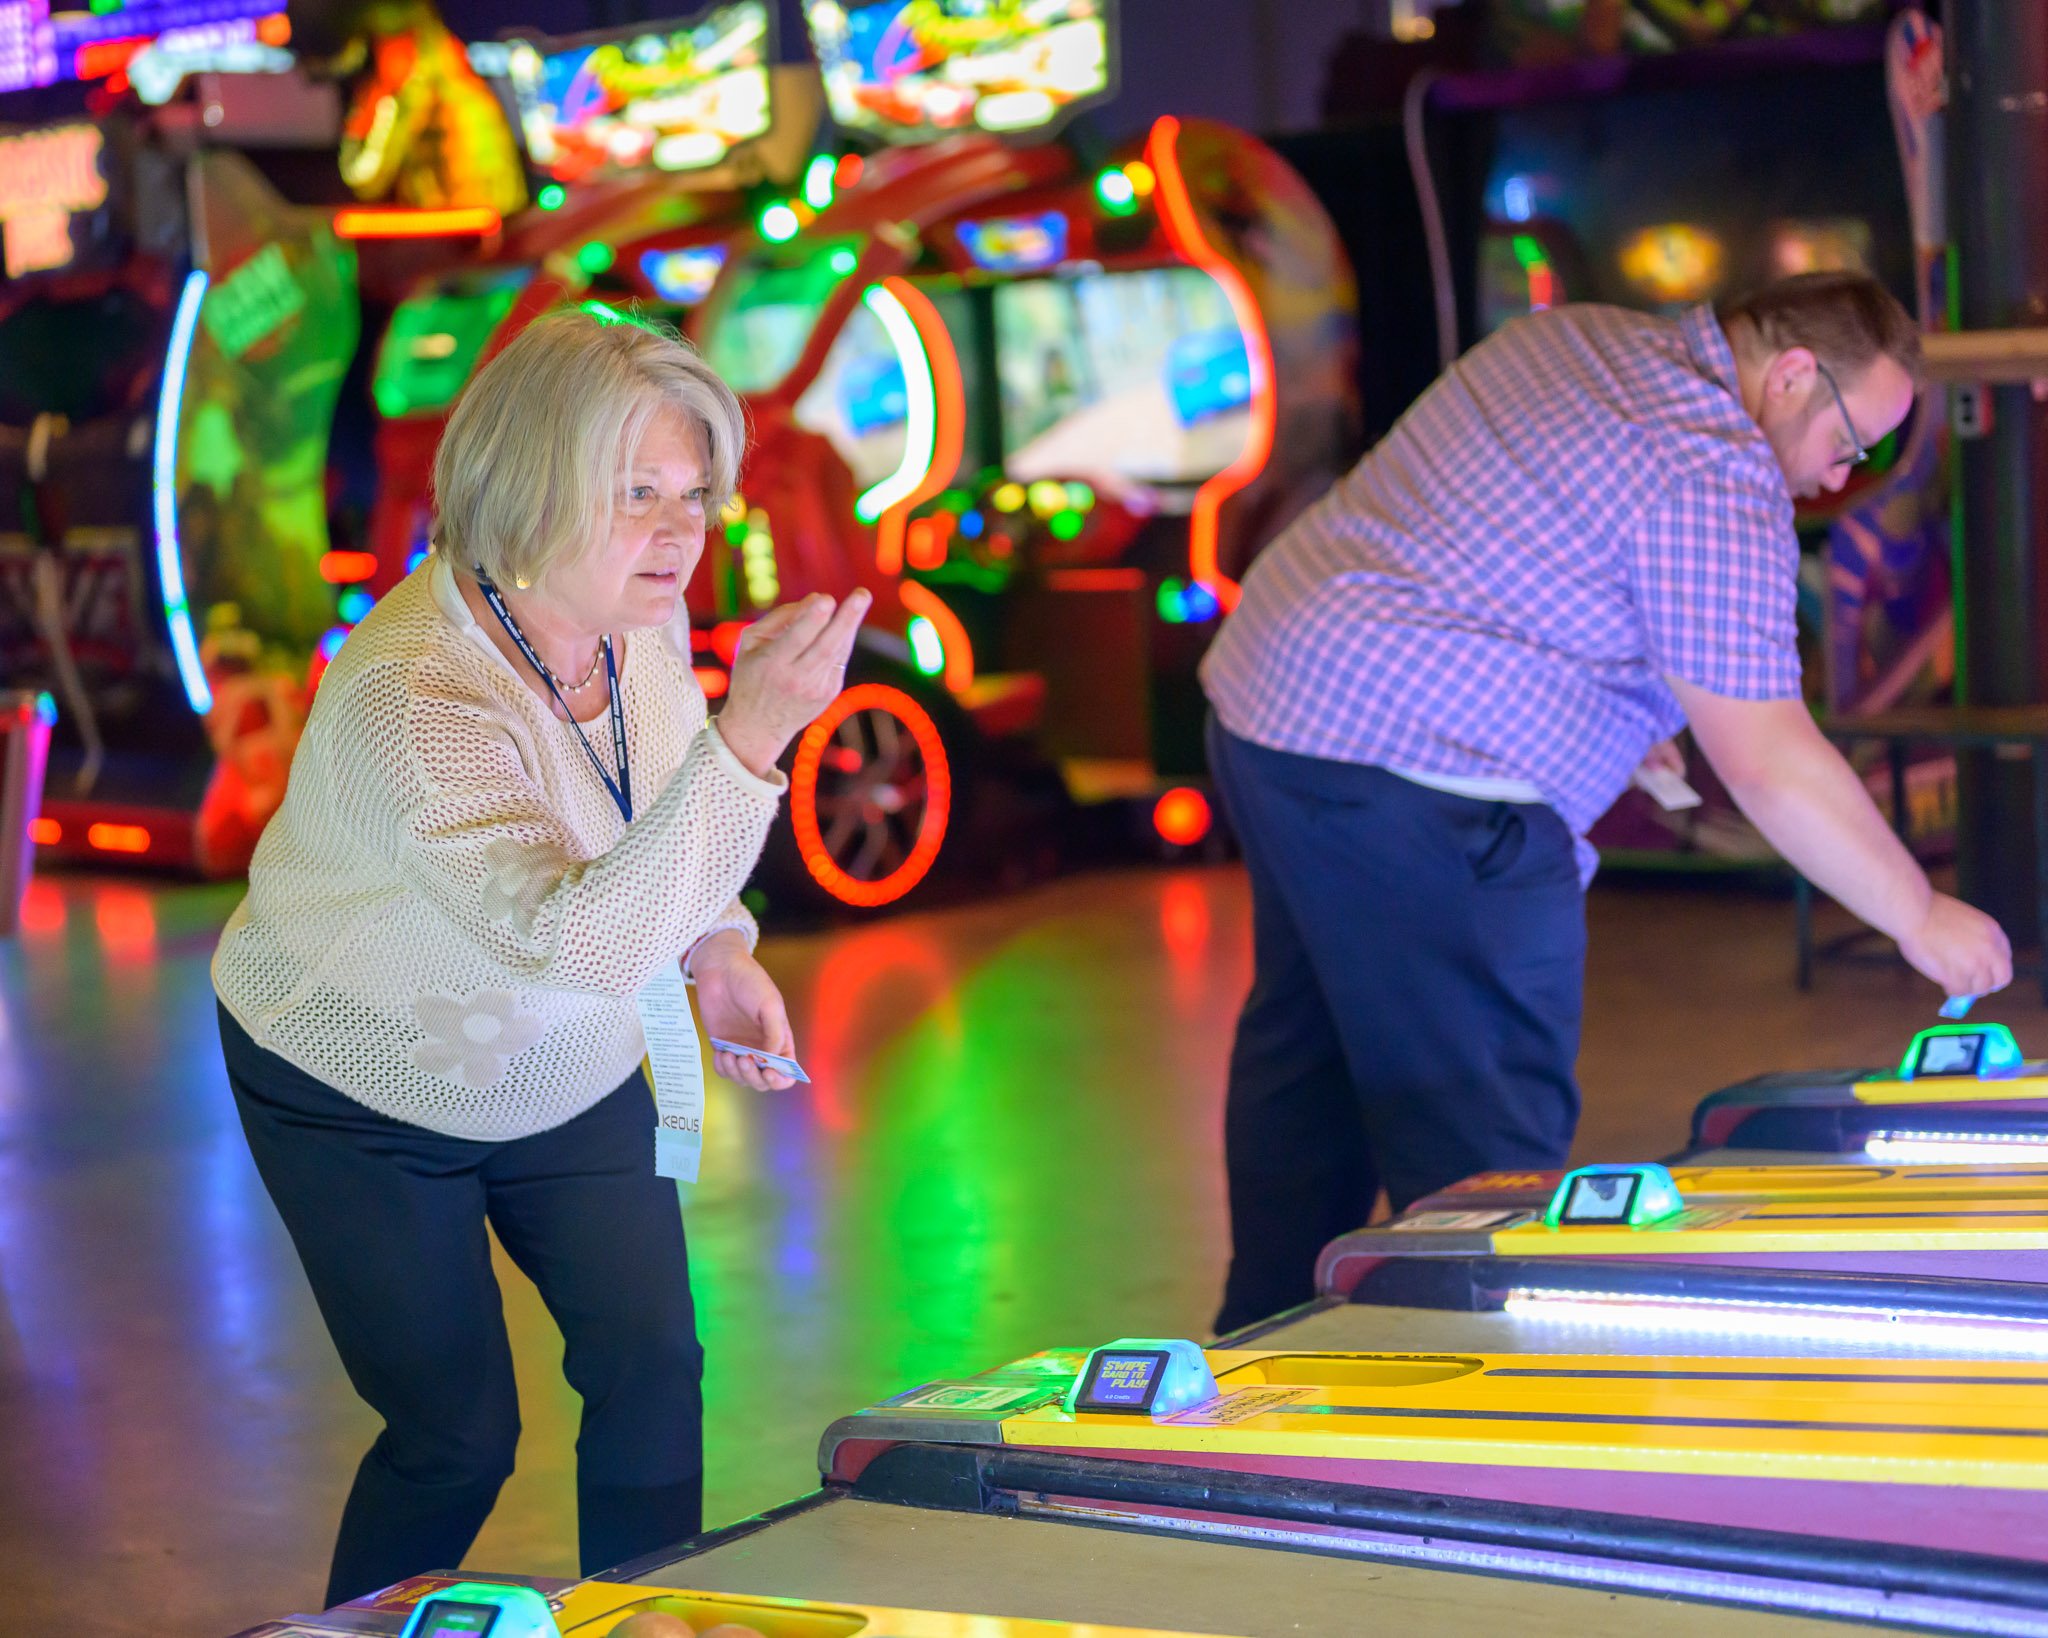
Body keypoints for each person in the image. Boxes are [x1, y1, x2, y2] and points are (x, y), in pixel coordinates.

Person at [1199, 271, 2012, 1332]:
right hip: (1421, 783)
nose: (1835, 478)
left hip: (1272, 706)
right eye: (1849, 443)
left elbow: (1513, 546)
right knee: (1479, 1121)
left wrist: (1622, 709)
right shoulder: (1712, 467)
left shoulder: (1585, 337)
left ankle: (1258, 1344)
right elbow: (1767, 757)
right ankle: (1468, 1390)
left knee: (1307, 1057)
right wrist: (1917, 913)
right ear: (1792, 373)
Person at [212, 310, 870, 1603]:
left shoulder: (633, 621)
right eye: (637, 493)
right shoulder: (419, 695)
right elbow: (573, 935)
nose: (681, 530)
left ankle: (639, 1620)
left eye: (694, 492)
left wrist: (722, 945)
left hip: (560, 1060)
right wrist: (757, 741)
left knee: (651, 1369)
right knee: (458, 1438)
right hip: (360, 1077)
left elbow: (655, 813)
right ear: (529, 481)